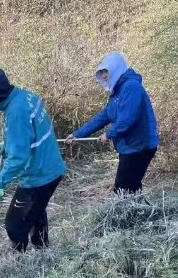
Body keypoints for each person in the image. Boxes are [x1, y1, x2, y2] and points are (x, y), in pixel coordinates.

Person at [0, 66, 67, 252]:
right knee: (35, 210)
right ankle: (42, 249)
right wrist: (8, 142)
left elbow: (18, 157)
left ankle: (20, 259)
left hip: (40, 175)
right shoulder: (23, 96)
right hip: (51, 166)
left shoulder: (16, 111)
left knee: (15, 224)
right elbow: (28, 132)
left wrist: (0, 183)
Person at [66, 51, 159, 195]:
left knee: (122, 191)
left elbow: (127, 120)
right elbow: (103, 116)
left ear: (116, 68)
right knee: (130, 188)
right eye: (102, 72)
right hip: (129, 147)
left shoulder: (131, 87)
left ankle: (132, 216)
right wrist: (77, 134)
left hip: (140, 147)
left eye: (106, 71)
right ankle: (141, 214)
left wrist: (108, 134)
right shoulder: (116, 92)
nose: (104, 75)